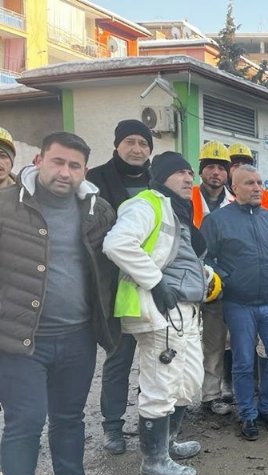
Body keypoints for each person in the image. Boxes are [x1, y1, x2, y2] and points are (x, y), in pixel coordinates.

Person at [0, 132, 118, 475]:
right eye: (57, 162)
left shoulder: (96, 210)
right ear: (38, 160)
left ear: (85, 169)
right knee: (25, 423)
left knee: (69, 420)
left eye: (74, 165)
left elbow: (116, 260)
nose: (64, 172)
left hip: (77, 337)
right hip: (19, 343)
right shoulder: (6, 207)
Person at [103, 151, 207, 475]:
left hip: (187, 310)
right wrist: (156, 282)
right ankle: (154, 459)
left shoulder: (180, 211)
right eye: (179, 172)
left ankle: (168, 443)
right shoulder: (147, 203)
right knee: (160, 384)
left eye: (190, 173)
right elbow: (117, 244)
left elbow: (180, 255)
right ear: (160, 176)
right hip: (161, 309)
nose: (188, 178)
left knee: (187, 382)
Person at [201, 165, 268, 441]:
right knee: (242, 361)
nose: (256, 188)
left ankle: (267, 408)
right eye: (249, 183)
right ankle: (247, 414)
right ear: (235, 188)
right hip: (238, 303)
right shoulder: (217, 221)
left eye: (260, 183)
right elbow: (206, 258)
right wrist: (228, 280)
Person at [86, 118, 153, 455]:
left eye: (143, 143)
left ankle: (151, 421)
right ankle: (113, 426)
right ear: (117, 146)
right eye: (130, 142)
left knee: (155, 360)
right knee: (118, 359)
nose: (137, 149)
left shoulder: (158, 180)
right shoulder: (95, 180)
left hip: (155, 287)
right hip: (115, 288)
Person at [191, 141, 236, 415]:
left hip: (220, 281)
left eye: (221, 168)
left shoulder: (234, 201)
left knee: (217, 341)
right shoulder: (187, 198)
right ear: (201, 171)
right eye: (211, 167)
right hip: (189, 276)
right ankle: (176, 399)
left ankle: (212, 395)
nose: (216, 173)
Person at [229, 142, 268, 210]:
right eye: (236, 165)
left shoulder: (265, 196)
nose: (241, 168)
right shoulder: (220, 196)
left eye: (245, 165)